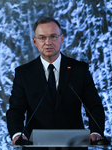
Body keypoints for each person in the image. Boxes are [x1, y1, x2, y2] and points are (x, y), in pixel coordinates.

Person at [6, 17, 105, 150]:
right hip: (36, 146)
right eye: (42, 37)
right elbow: (15, 110)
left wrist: (95, 131)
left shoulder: (79, 70)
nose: (48, 42)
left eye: (53, 36)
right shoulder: (23, 73)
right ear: (34, 41)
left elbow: (94, 106)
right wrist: (17, 134)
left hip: (74, 145)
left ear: (61, 39)